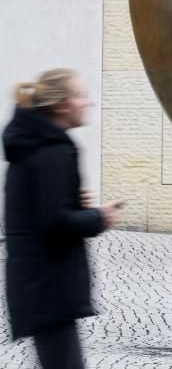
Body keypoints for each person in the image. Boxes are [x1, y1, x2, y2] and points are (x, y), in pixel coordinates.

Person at [3, 69, 122, 369]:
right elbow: (53, 222)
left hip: (41, 285)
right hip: (48, 287)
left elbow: (43, 211)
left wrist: (77, 209)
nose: (88, 102)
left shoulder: (36, 146)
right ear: (61, 106)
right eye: (80, 96)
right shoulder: (52, 151)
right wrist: (98, 218)